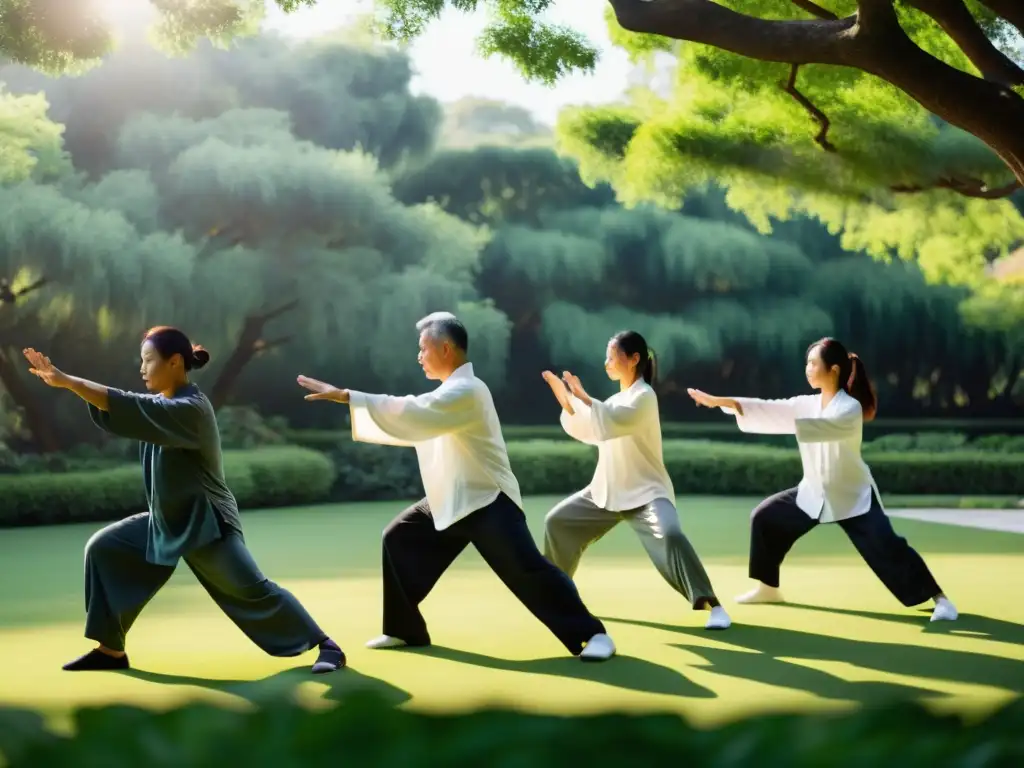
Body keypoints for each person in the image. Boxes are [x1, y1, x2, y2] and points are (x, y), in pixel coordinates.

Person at [297, 311, 616, 661]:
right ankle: (404, 629)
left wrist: (347, 396)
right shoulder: (452, 390)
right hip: (451, 497)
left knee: (527, 570)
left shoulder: (468, 390)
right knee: (398, 538)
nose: (419, 356)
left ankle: (593, 635)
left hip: (488, 499)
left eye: (423, 348)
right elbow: (417, 417)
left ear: (446, 348)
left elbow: (414, 411)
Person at [23, 327, 345, 673]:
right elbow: (123, 405)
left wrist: (68, 381)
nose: (142, 369)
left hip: (206, 520)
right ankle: (111, 650)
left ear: (175, 362)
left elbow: (122, 403)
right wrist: (72, 384)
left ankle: (327, 647)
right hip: (166, 518)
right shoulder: (162, 403)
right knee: (105, 547)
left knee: (251, 590)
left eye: (148, 361)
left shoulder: (191, 409)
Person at [686, 337, 958, 623]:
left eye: (813, 363)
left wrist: (787, 418)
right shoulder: (808, 403)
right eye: (807, 363)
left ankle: (941, 600)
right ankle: (768, 588)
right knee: (765, 517)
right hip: (813, 492)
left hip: (852, 497)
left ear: (835, 369)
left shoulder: (849, 408)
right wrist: (720, 402)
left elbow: (818, 428)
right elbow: (770, 408)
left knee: (889, 547)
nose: (807, 368)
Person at [541, 331, 731, 630]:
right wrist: (567, 401)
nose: (606, 363)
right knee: (557, 521)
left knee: (671, 536)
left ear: (634, 359)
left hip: (646, 493)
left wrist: (583, 398)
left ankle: (711, 604)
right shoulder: (616, 400)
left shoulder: (644, 397)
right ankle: (555, 594)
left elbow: (609, 421)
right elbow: (593, 429)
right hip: (607, 489)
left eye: (612, 356)